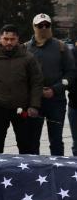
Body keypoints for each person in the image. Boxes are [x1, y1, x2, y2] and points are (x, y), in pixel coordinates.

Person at [0, 25, 43, 154]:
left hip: (22, 108)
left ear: (17, 39)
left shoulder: (28, 58)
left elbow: (37, 81)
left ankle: (26, 172)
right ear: (0, 38)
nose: (9, 42)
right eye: (6, 38)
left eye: (12, 39)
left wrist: (34, 105)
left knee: (26, 145)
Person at [25, 14, 75, 156]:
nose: (44, 28)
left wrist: (55, 89)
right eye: (40, 26)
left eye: (47, 25)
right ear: (34, 27)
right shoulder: (25, 48)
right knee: (32, 140)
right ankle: (34, 171)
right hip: (35, 102)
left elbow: (71, 73)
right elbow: (21, 75)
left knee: (56, 140)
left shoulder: (61, 47)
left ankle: (58, 171)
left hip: (56, 101)